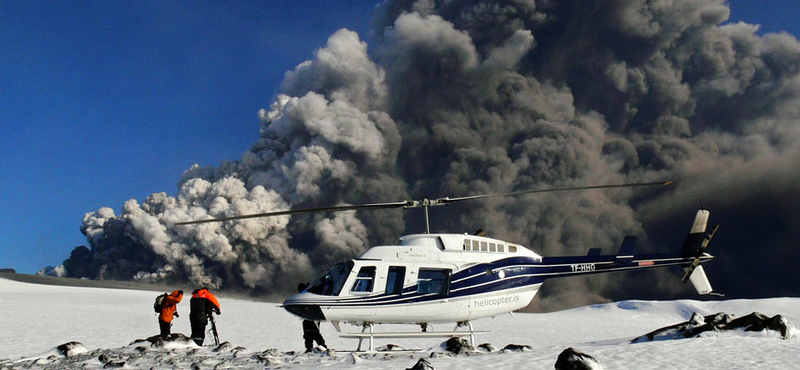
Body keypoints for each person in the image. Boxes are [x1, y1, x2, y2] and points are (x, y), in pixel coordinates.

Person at [297, 283, 327, 353]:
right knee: (313, 333)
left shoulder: (307, 294)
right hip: (311, 316)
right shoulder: (310, 292)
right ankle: (319, 346)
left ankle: (313, 347)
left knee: (312, 333)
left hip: (311, 316)